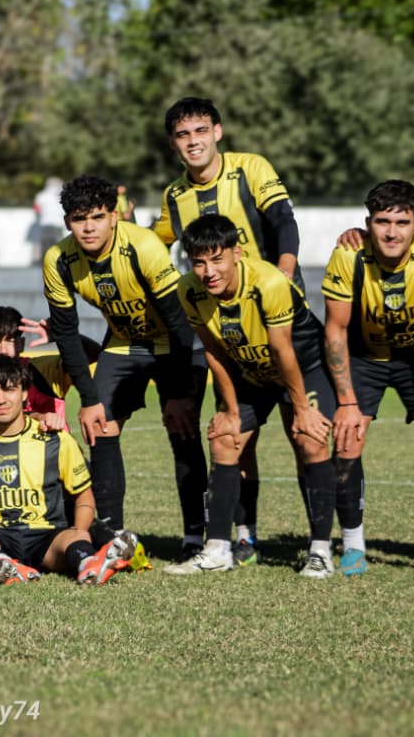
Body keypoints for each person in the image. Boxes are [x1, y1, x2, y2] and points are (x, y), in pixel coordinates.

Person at [153, 97, 306, 566]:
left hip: (279, 320)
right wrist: (116, 226)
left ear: (217, 131)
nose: (193, 141)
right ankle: (247, 535)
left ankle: (327, 541)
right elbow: (154, 240)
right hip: (228, 330)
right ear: (174, 143)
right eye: (183, 134)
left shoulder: (250, 169)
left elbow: (284, 222)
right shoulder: (174, 196)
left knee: (304, 432)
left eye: (200, 130)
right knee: (237, 436)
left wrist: (281, 276)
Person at [171, 214, 337, 577]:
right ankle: (218, 549)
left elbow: (283, 352)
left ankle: (321, 551)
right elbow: (214, 350)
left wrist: (302, 410)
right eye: (199, 262)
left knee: (310, 439)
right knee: (225, 439)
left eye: (217, 259)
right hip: (249, 370)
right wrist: (230, 409)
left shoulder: (269, 282)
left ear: (237, 254)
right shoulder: (188, 290)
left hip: (301, 366)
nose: (208, 271)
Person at [41, 175, 197, 536]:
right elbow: (65, 334)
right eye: (79, 220)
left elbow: (178, 323)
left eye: (97, 217)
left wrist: (178, 393)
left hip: (174, 341)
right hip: (125, 342)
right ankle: (110, 537)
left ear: (114, 216)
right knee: (100, 428)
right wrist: (90, 398)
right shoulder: (58, 259)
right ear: (68, 223)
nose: (89, 227)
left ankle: (195, 538)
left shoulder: (144, 246)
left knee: (183, 428)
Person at [321, 180, 414, 575]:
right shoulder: (348, 255)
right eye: (383, 221)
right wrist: (347, 403)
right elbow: (335, 330)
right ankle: (353, 547)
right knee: (346, 437)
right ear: (368, 223)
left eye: (402, 222)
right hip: (365, 356)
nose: (392, 231)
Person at [0, 354, 139, 585]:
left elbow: (83, 494)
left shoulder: (55, 439)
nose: (0, 399)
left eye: (9, 390)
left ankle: (89, 563)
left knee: (74, 538)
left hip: (48, 538)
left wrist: (80, 530)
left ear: (25, 393)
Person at [33, 176, 65, 263]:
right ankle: (58, 260)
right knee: (59, 242)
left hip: (45, 222)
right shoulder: (61, 194)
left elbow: (37, 209)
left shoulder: (41, 195)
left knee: (45, 243)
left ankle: (45, 260)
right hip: (59, 222)